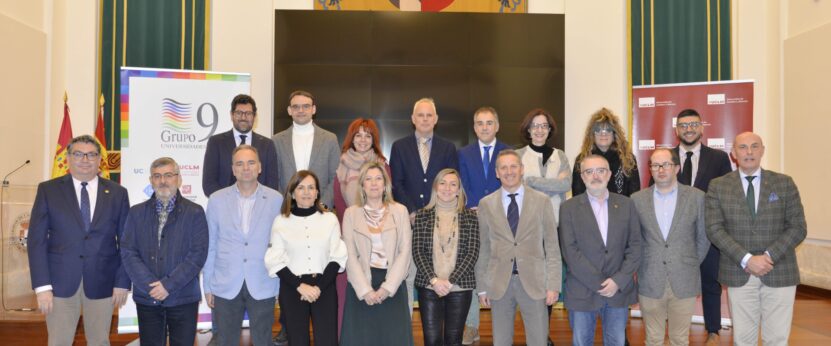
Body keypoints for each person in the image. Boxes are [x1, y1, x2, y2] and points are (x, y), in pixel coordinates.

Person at [28, 134, 131, 346]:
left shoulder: (118, 193)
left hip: (103, 281)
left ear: (99, 159)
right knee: (59, 342)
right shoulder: (48, 190)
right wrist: (42, 287)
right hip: (59, 284)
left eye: (91, 154)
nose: (85, 159)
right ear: (68, 158)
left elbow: (127, 242)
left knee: (99, 341)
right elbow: (36, 241)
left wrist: (122, 282)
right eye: (78, 154)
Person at [705, 132, 806, 346]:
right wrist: (747, 259)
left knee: (777, 339)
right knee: (743, 340)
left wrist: (768, 257)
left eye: (754, 146)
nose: (748, 152)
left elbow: (798, 227)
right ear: (733, 154)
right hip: (739, 270)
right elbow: (714, 229)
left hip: (780, 271)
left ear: (762, 150)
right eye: (742, 147)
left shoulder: (784, 183)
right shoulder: (718, 186)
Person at [475, 150, 561, 346]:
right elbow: (484, 250)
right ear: (497, 172)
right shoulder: (486, 204)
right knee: (501, 341)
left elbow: (552, 247)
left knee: (538, 340)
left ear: (522, 169)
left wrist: (553, 285)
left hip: (535, 282)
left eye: (513, 166)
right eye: (503, 167)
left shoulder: (541, 201)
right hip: (499, 284)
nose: (509, 171)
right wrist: (482, 288)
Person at [120, 157, 209, 345]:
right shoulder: (136, 212)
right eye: (157, 176)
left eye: (168, 175)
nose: (163, 181)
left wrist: (168, 285)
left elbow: (197, 254)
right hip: (148, 297)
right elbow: (128, 251)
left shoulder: (195, 212)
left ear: (178, 178)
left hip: (183, 297)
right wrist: (151, 285)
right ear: (151, 180)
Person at [203, 145, 283, 346]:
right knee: (224, 341)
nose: (245, 168)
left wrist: (279, 285)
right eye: (239, 163)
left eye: (251, 162)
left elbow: (282, 245)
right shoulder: (216, 200)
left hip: (263, 282)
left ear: (260, 167)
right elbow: (210, 244)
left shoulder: (276, 200)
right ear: (233, 169)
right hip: (225, 283)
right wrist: (208, 285)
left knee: (263, 341)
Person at [559, 154, 642, 346]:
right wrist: (600, 283)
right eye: (589, 171)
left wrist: (618, 281)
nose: (595, 176)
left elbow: (636, 246)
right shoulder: (568, 208)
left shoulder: (626, 204)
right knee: (582, 342)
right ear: (582, 176)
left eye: (600, 171)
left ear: (609, 174)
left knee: (616, 341)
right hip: (582, 289)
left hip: (617, 290)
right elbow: (570, 252)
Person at [631, 149, 709, 346]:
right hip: (650, 277)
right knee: (653, 339)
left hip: (684, 278)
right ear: (650, 169)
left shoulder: (697, 197)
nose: (661, 169)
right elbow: (635, 240)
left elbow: (703, 237)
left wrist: (688, 262)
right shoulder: (637, 199)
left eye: (666, 164)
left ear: (677, 167)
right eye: (656, 165)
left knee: (680, 339)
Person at [390, 97, 458, 314]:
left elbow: (452, 182)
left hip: (440, 223)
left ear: (436, 119)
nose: (425, 119)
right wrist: (411, 211)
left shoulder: (448, 147)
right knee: (408, 275)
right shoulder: (399, 146)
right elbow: (396, 183)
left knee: (439, 276)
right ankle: (406, 329)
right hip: (408, 222)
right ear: (413, 118)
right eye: (421, 115)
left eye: (429, 115)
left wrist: (431, 212)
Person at [671, 108, 733, 344]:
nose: (688, 129)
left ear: (701, 127)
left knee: (710, 282)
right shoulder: (665, 157)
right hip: (676, 235)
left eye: (693, 124)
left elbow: (727, 194)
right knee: (676, 284)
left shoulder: (718, 158)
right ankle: (677, 333)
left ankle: (713, 331)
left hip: (709, 232)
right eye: (684, 125)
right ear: (677, 129)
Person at [264, 170, 348, 346]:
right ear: (292, 193)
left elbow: (337, 256)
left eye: (311, 187)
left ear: (317, 192)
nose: (307, 192)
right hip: (293, 289)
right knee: (297, 340)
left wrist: (317, 287)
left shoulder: (330, 219)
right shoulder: (281, 221)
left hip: (324, 287)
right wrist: (300, 286)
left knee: (327, 341)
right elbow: (275, 260)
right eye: (301, 187)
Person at [340, 162, 414, 346]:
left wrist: (387, 288)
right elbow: (349, 253)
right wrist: (365, 290)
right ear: (362, 185)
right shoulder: (351, 213)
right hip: (361, 285)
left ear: (385, 184)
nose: (374, 183)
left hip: (392, 285)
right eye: (368, 179)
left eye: (378, 178)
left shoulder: (400, 211)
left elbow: (405, 252)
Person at [456, 106, 509, 344]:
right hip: (471, 219)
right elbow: (462, 185)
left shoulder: (508, 151)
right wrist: (471, 207)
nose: (484, 127)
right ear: (474, 127)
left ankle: (502, 326)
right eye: (480, 123)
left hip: (503, 221)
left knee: (499, 271)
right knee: (471, 272)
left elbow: (511, 184)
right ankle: (471, 326)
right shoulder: (464, 153)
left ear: (496, 126)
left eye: (489, 123)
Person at [332, 117, 390, 335]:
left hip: (378, 242)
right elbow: (339, 206)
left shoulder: (383, 166)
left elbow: (388, 203)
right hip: (348, 238)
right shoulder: (341, 167)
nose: (363, 140)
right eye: (358, 135)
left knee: (375, 293)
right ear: (351, 138)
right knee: (345, 294)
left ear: (374, 140)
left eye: (368, 135)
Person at [412, 169, 479, 346]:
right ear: (435, 187)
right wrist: (435, 281)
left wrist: (450, 282)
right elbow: (418, 251)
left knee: (454, 340)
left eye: (453, 184)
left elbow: (472, 253)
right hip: (429, 286)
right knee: (432, 340)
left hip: (459, 287)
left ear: (459, 190)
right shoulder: (422, 215)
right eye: (442, 183)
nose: (447, 188)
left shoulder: (471, 217)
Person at [272, 90, 340, 209]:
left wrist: (323, 204)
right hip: (288, 209)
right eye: (296, 107)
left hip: (320, 209)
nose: (301, 110)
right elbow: (274, 178)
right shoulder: (277, 140)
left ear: (313, 109)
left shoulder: (330, 139)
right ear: (289, 110)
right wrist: (285, 204)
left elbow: (336, 177)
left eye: (306, 106)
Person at [202, 93, 280, 197]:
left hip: (258, 208)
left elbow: (272, 183)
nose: (243, 117)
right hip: (225, 207)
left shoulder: (267, 145)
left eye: (248, 113)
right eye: (239, 113)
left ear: (254, 116)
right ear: (231, 115)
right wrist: (228, 202)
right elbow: (209, 183)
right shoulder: (216, 142)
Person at [572, 108, 640, 197]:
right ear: (592, 134)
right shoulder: (582, 159)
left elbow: (634, 194)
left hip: (621, 209)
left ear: (614, 134)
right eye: (598, 130)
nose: (603, 134)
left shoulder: (628, 159)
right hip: (589, 210)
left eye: (608, 130)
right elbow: (577, 194)